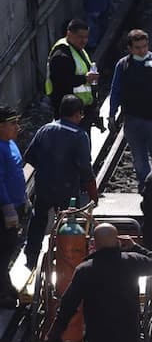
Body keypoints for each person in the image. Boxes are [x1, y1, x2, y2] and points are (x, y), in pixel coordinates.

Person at [24, 95, 97, 269]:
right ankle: (68, 260)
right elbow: (86, 170)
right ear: (78, 114)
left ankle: (31, 259)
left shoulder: (45, 129)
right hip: (67, 191)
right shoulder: (79, 136)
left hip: (43, 187)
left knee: (38, 221)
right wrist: (94, 194)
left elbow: (30, 157)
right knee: (70, 224)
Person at [108, 29, 152, 192]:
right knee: (139, 159)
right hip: (132, 119)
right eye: (138, 47)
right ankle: (145, 187)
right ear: (130, 48)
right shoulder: (123, 65)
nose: (143, 50)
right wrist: (112, 114)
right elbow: (115, 89)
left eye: (145, 46)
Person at [44, 19, 100, 133]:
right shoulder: (61, 55)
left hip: (81, 111)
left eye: (86, 37)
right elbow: (62, 81)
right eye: (80, 37)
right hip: (69, 114)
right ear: (69, 34)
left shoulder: (78, 49)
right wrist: (85, 78)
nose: (84, 40)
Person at [0, 107, 25, 308]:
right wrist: (7, 207)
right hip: (4, 210)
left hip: (16, 205)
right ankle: (3, 293)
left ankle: (5, 285)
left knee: (8, 248)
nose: (18, 127)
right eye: (13, 124)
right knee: (3, 250)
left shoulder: (10, 144)